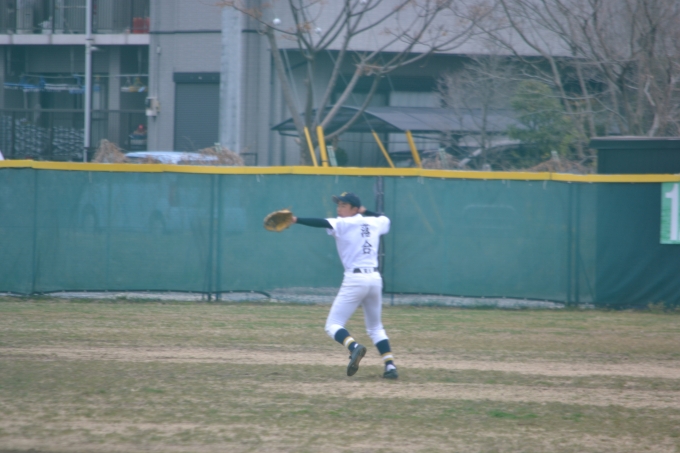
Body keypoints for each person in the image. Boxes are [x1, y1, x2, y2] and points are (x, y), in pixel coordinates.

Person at [292, 192, 398, 379]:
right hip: (374, 279)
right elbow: (385, 219)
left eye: (344, 205)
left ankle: (354, 347)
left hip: (355, 280)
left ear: (354, 209)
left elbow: (321, 222)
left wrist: (296, 219)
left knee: (332, 325)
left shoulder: (343, 224)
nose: (339, 209)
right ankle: (390, 366)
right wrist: (366, 211)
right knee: (375, 327)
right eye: (338, 205)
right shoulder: (374, 222)